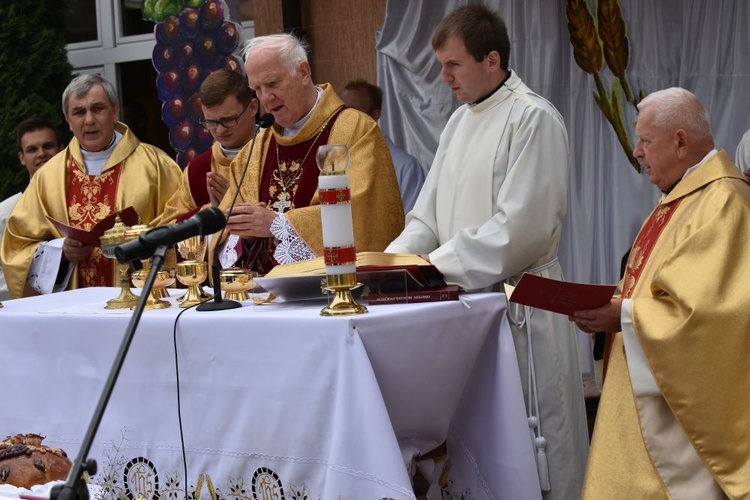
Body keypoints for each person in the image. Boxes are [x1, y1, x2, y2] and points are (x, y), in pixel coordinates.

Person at [384, 6, 588, 499]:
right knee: (480, 449)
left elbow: (520, 230)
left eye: (453, 64)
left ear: (491, 60)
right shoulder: (458, 122)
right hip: (472, 308)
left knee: (540, 448)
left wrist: (435, 268)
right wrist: (388, 266)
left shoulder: (532, 117)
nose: (443, 76)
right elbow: (427, 218)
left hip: (524, 307)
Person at [570, 88, 750, 498]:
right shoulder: (680, 198)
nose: (636, 152)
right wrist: (607, 306)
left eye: (645, 141)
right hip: (639, 380)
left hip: (674, 414)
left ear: (681, 142)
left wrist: (624, 315)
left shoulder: (723, 201)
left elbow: (714, 316)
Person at [215, 33, 404, 274]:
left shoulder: (355, 130)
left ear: (303, 72)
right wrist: (247, 233)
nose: (265, 98)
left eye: (272, 83)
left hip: (333, 290)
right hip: (265, 299)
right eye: (257, 89)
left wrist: (277, 224)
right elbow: (228, 228)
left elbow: (362, 214)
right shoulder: (257, 146)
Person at [0, 74, 182, 299]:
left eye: (98, 109)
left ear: (114, 111)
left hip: (139, 304)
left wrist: (138, 244)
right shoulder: (47, 177)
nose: (89, 120)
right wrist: (61, 253)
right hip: (74, 310)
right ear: (67, 119)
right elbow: (16, 248)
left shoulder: (156, 166)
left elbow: (181, 226)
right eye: (79, 112)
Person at [158, 69, 259, 224]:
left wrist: (234, 203)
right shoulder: (197, 171)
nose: (220, 130)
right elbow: (169, 229)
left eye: (229, 119)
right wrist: (213, 211)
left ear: (252, 108)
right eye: (211, 122)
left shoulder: (276, 151)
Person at [0, 118, 63, 300]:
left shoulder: (84, 201)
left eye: (48, 146)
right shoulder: (6, 213)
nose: (41, 154)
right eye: (32, 149)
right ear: (22, 158)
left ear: (62, 149)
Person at [339, 79, 425, 213]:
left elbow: (412, 222)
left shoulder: (405, 166)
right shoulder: (335, 164)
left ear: (374, 115)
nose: (345, 117)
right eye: (342, 110)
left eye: (353, 111)